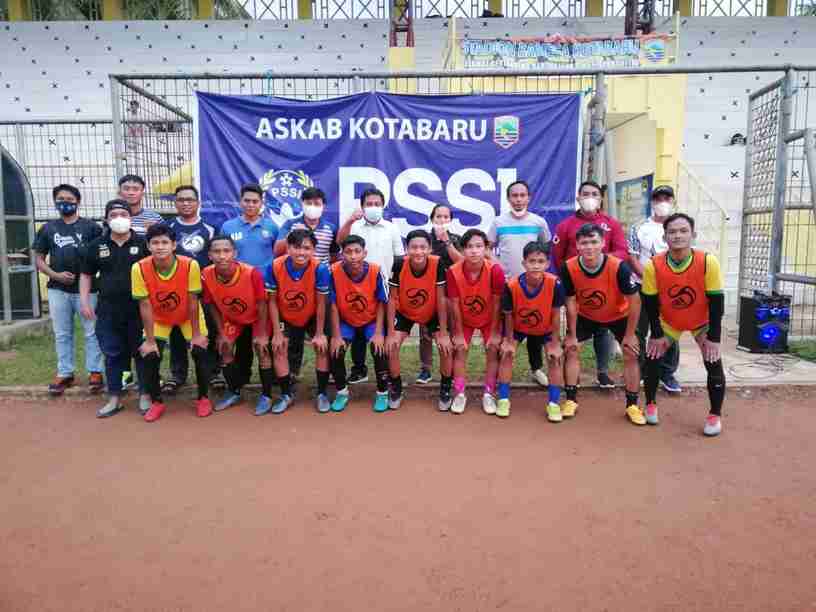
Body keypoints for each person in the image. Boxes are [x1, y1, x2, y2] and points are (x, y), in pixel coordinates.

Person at [642, 213, 726, 436]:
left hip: (701, 321)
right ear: (664, 237)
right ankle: (650, 404)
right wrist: (656, 334)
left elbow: (717, 302)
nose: (677, 236)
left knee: (713, 359)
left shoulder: (707, 262)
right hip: (670, 321)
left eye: (683, 231)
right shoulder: (653, 265)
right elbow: (650, 303)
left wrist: (714, 338)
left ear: (693, 235)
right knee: (652, 356)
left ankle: (715, 415)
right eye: (672, 232)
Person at [561, 223, 644, 425]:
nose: (589, 247)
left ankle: (632, 405)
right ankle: (570, 400)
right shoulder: (569, 267)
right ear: (577, 245)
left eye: (594, 242)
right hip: (586, 315)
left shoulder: (618, 267)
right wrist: (571, 333)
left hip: (619, 314)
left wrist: (630, 335)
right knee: (571, 349)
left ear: (603, 243)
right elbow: (570, 301)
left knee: (631, 352)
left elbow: (635, 301)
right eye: (584, 243)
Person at [131, 224, 213, 422]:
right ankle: (157, 401)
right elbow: (144, 304)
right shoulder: (139, 268)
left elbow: (193, 300)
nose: (160, 247)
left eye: (164, 242)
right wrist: (150, 340)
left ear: (174, 245)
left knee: (200, 350)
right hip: (159, 317)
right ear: (148, 246)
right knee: (150, 354)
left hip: (188, 315)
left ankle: (203, 398)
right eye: (155, 243)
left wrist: (196, 335)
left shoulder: (190, 264)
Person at [552, 180, 628, 389]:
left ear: (601, 198)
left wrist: (600, 263)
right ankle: (572, 378)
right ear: (578, 197)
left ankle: (602, 372)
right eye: (585, 194)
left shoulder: (611, 224)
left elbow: (622, 251)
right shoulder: (565, 225)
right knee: (574, 334)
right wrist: (575, 272)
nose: (590, 198)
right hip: (577, 286)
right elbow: (558, 257)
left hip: (606, 285)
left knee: (604, 329)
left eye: (594, 194)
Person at [79, 200, 150, 417]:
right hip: (108, 309)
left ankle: (145, 395)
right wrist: (84, 302)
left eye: (123, 214)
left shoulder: (144, 243)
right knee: (113, 353)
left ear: (130, 218)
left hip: (139, 309)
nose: (119, 218)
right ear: (107, 219)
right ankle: (115, 398)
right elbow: (86, 275)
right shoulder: (97, 245)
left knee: (142, 352)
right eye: (114, 215)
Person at [33, 184, 104, 396]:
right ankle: (65, 372)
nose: (65, 203)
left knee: (92, 331)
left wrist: (89, 275)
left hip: (87, 290)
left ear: (78, 201)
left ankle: (95, 371)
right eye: (61, 199)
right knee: (62, 333)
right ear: (55, 202)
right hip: (57, 289)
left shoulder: (91, 227)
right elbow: (38, 259)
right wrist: (55, 275)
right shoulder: (48, 228)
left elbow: (101, 254)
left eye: (70, 199)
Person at [488, 180, 553, 388]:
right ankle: (501, 371)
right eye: (514, 196)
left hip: (534, 286)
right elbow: (488, 248)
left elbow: (545, 248)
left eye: (522, 195)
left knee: (535, 328)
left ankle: (536, 369)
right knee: (506, 330)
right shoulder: (498, 223)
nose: (518, 199)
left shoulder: (539, 222)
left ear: (529, 197)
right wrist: (498, 266)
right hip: (508, 286)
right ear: (508, 198)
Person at [336, 188, 404, 385]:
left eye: (377, 204)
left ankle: (385, 374)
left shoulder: (391, 228)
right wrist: (350, 220)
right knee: (357, 329)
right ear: (362, 206)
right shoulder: (355, 226)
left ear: (383, 206)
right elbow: (340, 242)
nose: (373, 207)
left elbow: (399, 257)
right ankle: (359, 369)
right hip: (357, 285)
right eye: (369, 204)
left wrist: (395, 285)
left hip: (383, 286)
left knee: (379, 331)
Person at [201, 235, 272, 416]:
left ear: (235, 253)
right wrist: (221, 333)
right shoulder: (206, 274)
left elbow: (262, 303)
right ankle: (234, 391)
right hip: (233, 318)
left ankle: (267, 395)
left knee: (261, 348)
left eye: (226, 251)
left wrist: (262, 334)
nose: (222, 256)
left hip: (257, 318)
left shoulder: (251, 272)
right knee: (224, 346)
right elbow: (211, 304)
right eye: (217, 251)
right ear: (209, 255)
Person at [272, 187, 338, 380]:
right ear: (302, 204)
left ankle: (328, 373)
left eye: (317, 203)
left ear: (323, 206)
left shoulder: (330, 228)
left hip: (320, 286)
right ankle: (292, 372)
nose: (313, 206)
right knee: (295, 331)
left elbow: (334, 256)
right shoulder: (290, 224)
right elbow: (277, 251)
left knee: (323, 331)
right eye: (309, 203)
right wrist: (294, 236)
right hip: (295, 285)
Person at [385, 230, 453, 411]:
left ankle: (446, 389)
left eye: (423, 247)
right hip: (405, 311)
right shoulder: (399, 263)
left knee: (446, 347)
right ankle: (396, 388)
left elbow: (441, 299)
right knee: (391, 345)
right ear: (407, 249)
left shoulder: (437, 263)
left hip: (431, 311)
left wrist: (443, 332)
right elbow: (392, 298)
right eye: (414, 247)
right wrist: (390, 333)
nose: (418, 251)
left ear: (430, 249)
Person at [266, 229, 332, 414]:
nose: (301, 252)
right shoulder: (274, 266)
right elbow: (271, 301)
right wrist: (277, 333)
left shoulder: (320, 269)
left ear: (313, 250)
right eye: (296, 247)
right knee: (279, 347)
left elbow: (321, 303)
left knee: (322, 346)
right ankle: (286, 394)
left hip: (312, 314)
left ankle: (322, 393)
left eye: (306, 248)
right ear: (288, 248)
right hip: (286, 315)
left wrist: (319, 333)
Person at [497, 242, 565, 420]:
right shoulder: (511, 285)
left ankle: (554, 403)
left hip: (545, 328)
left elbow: (556, 314)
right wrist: (509, 341)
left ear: (547, 264)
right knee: (506, 354)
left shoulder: (555, 283)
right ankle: (503, 399)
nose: (536, 265)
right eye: (531, 261)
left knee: (554, 358)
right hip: (518, 327)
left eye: (540, 261)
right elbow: (508, 315)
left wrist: (555, 343)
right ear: (523, 263)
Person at [162, 184, 219, 394]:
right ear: (175, 203)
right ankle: (178, 374)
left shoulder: (210, 229)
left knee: (208, 331)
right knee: (177, 333)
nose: (186, 203)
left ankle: (213, 373)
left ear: (198, 203)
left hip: (203, 291)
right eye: (181, 200)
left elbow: (216, 258)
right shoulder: (167, 228)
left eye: (190, 199)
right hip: (175, 292)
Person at [628, 185, 681, 393]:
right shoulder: (639, 227)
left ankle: (667, 373)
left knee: (670, 330)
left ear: (673, 201)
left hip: (670, 289)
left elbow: (684, 255)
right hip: (642, 286)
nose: (662, 202)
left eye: (667, 198)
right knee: (639, 330)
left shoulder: (678, 227)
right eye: (658, 199)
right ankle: (642, 370)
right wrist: (649, 279)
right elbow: (632, 257)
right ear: (652, 202)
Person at [328, 235, 389, 412]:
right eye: (348, 252)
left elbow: (381, 302)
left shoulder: (376, 270)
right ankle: (342, 392)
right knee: (336, 350)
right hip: (346, 321)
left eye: (357, 251)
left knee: (379, 348)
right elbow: (332, 304)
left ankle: (383, 392)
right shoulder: (333, 271)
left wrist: (378, 333)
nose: (353, 256)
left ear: (365, 253)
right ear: (342, 254)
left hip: (370, 320)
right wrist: (336, 336)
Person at [446, 229, 505, 415]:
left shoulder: (495, 270)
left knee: (493, 349)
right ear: (463, 250)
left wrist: (494, 333)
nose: (474, 251)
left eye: (479, 246)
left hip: (489, 318)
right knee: (460, 350)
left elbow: (497, 303)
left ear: (486, 248)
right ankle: (459, 393)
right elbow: (454, 304)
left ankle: (489, 393)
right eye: (469, 246)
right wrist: (457, 333)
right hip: (464, 318)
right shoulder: (453, 272)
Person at [415, 203, 464, 385]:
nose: (442, 220)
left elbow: (461, 262)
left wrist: (447, 242)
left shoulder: (456, 239)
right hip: (427, 293)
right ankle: (425, 369)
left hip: (450, 293)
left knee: (450, 331)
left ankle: (450, 369)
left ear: (450, 220)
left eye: (445, 217)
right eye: (438, 217)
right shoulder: (424, 239)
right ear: (432, 218)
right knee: (425, 334)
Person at [220, 183, 279, 269]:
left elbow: (278, 253)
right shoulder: (227, 227)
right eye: (247, 201)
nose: (251, 205)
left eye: (255, 201)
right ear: (240, 202)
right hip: (237, 276)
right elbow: (222, 255)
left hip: (265, 277)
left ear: (261, 203)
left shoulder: (272, 227)